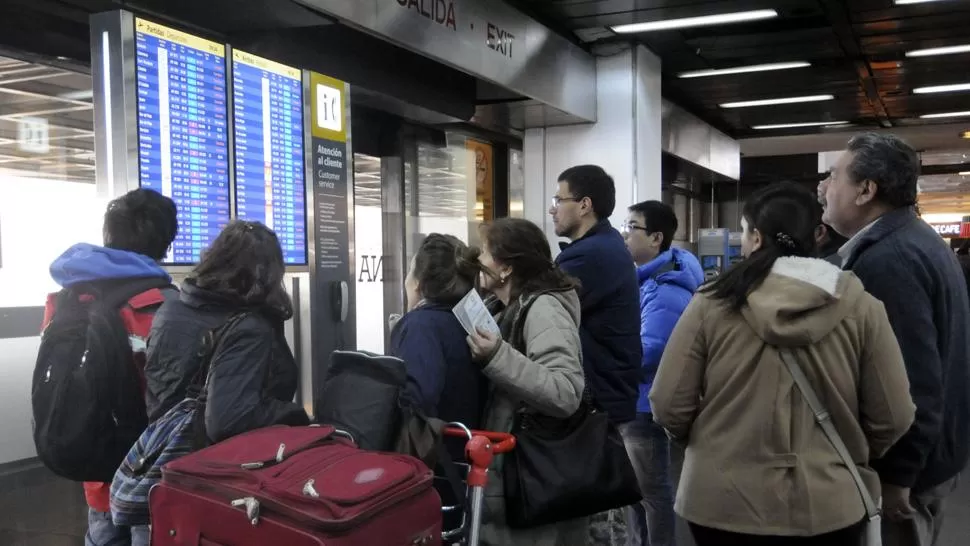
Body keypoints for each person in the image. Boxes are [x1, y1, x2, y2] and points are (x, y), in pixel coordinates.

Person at [650, 182, 915, 546]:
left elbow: (667, 403)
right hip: (828, 503)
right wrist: (849, 449)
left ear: (756, 238)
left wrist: (707, 442)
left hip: (720, 502)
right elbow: (895, 414)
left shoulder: (712, 304)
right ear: (819, 234)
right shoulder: (862, 307)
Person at [819, 133, 970, 546]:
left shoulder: (888, 260)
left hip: (909, 475)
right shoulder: (915, 239)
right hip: (936, 456)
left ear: (866, 190)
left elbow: (910, 381)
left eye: (833, 177)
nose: (824, 188)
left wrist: (898, 475)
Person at [40, 188, 178, 546]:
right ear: (164, 243)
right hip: (149, 475)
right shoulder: (160, 304)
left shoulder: (66, 299)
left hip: (95, 465)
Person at [465, 217, 587, 546]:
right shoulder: (504, 306)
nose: (479, 261)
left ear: (506, 269)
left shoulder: (543, 308)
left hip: (532, 476)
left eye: (486, 254)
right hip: (514, 473)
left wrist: (497, 357)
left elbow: (565, 391)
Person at [549, 165, 641, 544]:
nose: (553, 209)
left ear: (584, 205)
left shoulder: (589, 257)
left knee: (600, 526)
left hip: (596, 402)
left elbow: (539, 306)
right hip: (606, 399)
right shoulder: (603, 248)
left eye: (559, 199)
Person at [621, 200, 703, 546]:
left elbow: (651, 349)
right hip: (637, 398)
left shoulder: (665, 288)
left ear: (656, 238)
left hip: (645, 404)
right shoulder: (647, 281)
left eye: (632, 227)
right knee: (640, 493)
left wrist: (610, 359)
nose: (625, 235)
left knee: (653, 494)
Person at [391, 233, 487, 428]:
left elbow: (418, 402)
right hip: (469, 447)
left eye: (410, 271)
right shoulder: (470, 321)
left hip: (438, 452)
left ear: (418, 283)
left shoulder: (420, 325)